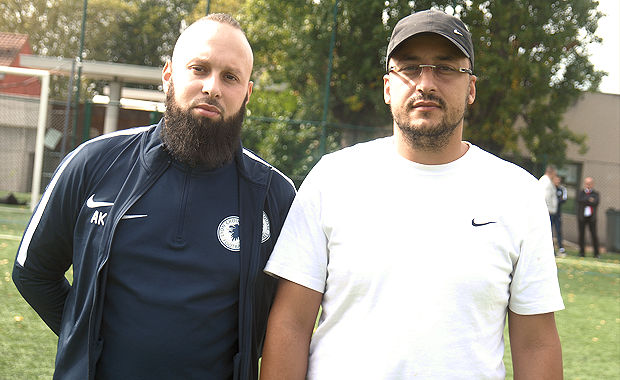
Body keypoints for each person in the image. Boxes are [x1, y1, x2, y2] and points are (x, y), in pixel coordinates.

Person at [260, 9, 564, 380]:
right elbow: (290, 323)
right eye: (410, 68)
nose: (426, 83)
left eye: (446, 67)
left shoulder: (517, 193)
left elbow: (536, 344)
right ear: (388, 87)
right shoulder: (333, 177)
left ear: (471, 88)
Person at [13, 13, 296, 380]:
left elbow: (288, 318)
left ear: (247, 92)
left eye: (230, 77)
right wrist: (84, 338)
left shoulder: (274, 195)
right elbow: (33, 271)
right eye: (199, 68)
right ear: (168, 75)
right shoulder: (94, 163)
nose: (213, 87)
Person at [577, 176, 600, 258]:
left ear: (592, 184)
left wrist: (586, 200)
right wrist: (589, 199)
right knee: (581, 235)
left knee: (594, 235)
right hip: (582, 217)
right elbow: (580, 200)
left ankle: (596, 253)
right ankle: (581, 253)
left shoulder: (596, 194)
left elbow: (596, 202)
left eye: (590, 184)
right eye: (587, 183)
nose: (588, 185)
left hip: (592, 218)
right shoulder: (581, 193)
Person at [554, 175, 568, 256]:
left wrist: (556, 201)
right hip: (550, 212)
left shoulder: (562, 189)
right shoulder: (551, 188)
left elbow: (564, 199)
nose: (557, 182)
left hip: (558, 213)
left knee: (558, 230)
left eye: (558, 180)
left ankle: (560, 248)